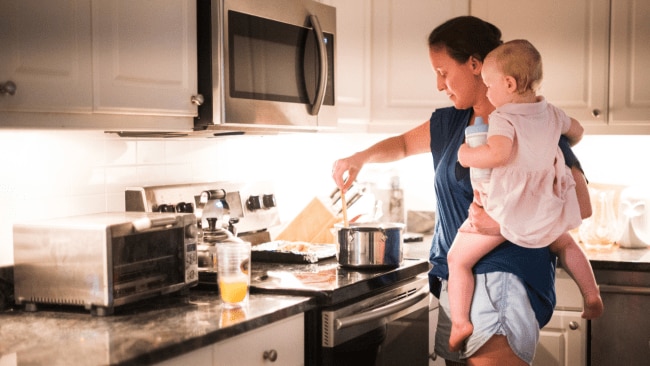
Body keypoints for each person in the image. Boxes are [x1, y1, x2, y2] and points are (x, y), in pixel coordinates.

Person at [331, 16, 593, 365]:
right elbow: (403, 144)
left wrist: (503, 223)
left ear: (474, 65)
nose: (440, 85)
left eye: (443, 71)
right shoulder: (453, 122)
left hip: (501, 283)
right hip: (459, 285)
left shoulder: (532, 125)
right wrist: (360, 158)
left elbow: (580, 204)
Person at [447, 39, 604, 352]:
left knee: (457, 259)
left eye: (490, 85)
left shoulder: (504, 118)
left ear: (509, 83)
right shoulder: (552, 114)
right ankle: (591, 294)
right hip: (545, 204)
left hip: (509, 208)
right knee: (566, 244)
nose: (488, 92)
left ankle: (461, 321)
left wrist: (465, 155)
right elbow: (578, 131)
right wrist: (556, 135)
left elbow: (498, 154)